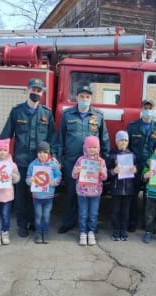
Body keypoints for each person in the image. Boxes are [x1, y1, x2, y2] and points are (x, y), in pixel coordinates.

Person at [0, 78, 58, 238]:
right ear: (27, 90)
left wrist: (54, 157)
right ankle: (22, 225)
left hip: (41, 164)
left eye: (39, 91)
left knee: (38, 193)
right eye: (33, 90)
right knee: (22, 196)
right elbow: (6, 135)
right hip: (22, 162)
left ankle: (34, 223)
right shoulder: (17, 112)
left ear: (42, 93)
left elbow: (52, 138)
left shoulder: (46, 113)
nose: (36, 93)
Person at [57, 84, 110, 234]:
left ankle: (89, 225)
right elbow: (60, 138)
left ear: (91, 98)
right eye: (82, 96)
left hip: (92, 165)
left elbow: (104, 139)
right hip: (71, 161)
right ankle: (68, 223)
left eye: (87, 97)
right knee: (71, 193)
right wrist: (59, 159)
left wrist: (104, 160)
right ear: (77, 97)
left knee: (90, 194)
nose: (84, 99)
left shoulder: (98, 116)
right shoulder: (67, 115)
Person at [127, 99, 156, 232]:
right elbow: (128, 147)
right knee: (133, 195)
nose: (148, 110)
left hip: (151, 167)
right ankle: (132, 222)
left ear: (154, 110)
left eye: (150, 107)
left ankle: (148, 224)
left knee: (150, 197)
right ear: (141, 109)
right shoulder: (132, 126)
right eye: (145, 107)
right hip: (136, 166)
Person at [72, 136, 107, 246]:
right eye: (90, 147)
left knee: (93, 214)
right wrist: (76, 170)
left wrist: (102, 172)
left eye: (94, 147)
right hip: (82, 192)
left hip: (96, 192)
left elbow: (105, 178)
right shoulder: (80, 160)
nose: (92, 149)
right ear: (85, 148)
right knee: (83, 213)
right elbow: (73, 175)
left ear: (98, 148)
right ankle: (83, 232)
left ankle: (91, 232)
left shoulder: (101, 161)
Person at [26, 141, 62, 244]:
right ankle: (38, 233)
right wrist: (30, 180)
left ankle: (45, 233)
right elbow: (27, 178)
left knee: (46, 215)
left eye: (45, 152)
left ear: (48, 153)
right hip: (36, 196)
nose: (42, 154)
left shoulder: (53, 165)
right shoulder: (32, 165)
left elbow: (59, 176)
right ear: (37, 153)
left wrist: (53, 182)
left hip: (48, 196)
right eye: (40, 152)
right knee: (38, 215)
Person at [106, 130, 137, 241]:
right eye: (121, 140)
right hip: (116, 189)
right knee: (115, 211)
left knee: (125, 211)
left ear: (128, 142)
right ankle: (116, 230)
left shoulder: (132, 156)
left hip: (128, 190)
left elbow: (135, 171)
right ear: (116, 142)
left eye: (125, 140)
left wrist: (135, 170)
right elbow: (106, 173)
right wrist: (113, 171)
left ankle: (123, 230)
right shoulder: (112, 156)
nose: (123, 142)